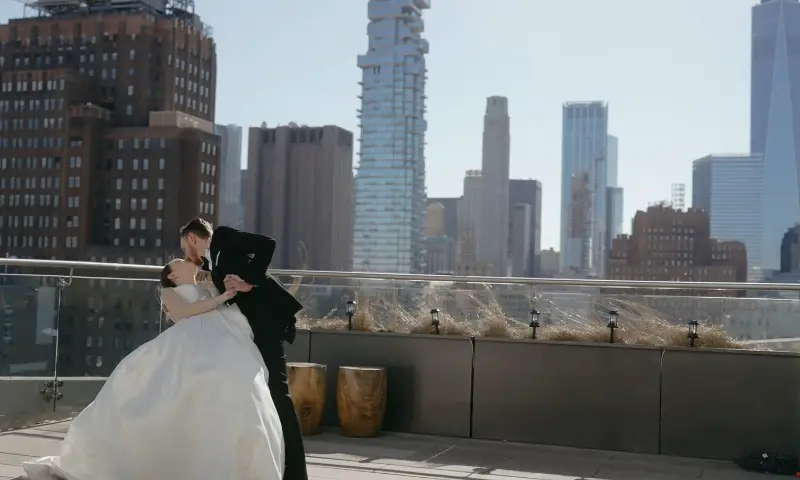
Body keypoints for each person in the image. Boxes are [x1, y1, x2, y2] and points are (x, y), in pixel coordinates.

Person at [23, 259, 285, 480]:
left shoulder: (204, 286)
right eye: (181, 263)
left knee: (231, 387)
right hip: (191, 338)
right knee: (174, 383)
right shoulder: (169, 291)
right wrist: (220, 299)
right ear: (172, 274)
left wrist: (224, 293)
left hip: (222, 336)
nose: (189, 264)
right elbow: (186, 312)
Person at [179, 218, 308, 480]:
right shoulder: (212, 260)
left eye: (184, 245)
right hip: (251, 329)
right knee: (266, 394)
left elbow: (266, 244)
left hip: (268, 323)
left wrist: (249, 281)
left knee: (279, 395)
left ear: (193, 237)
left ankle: (296, 474)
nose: (185, 252)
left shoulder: (223, 237)